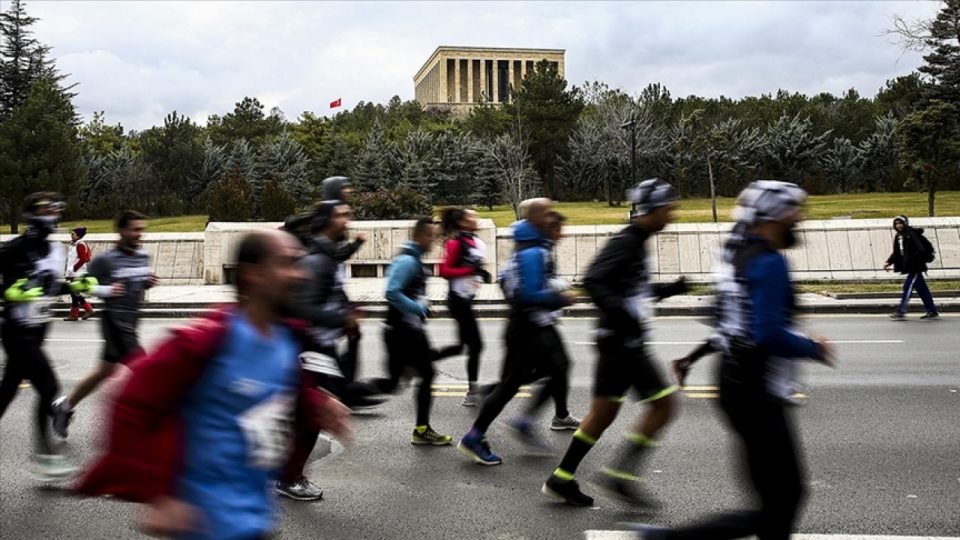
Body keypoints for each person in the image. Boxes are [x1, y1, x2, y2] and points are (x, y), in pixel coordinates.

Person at [75, 229, 352, 540]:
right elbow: (130, 399)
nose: (300, 275)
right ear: (253, 275)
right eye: (286, 264)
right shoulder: (208, 341)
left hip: (256, 517)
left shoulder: (285, 339)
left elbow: (289, 390)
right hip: (204, 524)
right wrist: (157, 493)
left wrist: (319, 405)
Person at [629, 180, 835, 540]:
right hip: (757, 387)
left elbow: (729, 324)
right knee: (784, 499)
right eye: (793, 211)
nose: (799, 218)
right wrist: (813, 348)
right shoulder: (769, 263)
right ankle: (667, 539)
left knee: (776, 498)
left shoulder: (737, 254)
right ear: (773, 216)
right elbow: (766, 333)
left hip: (734, 381)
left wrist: (693, 357)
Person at [541, 179, 688, 508]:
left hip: (615, 341)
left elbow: (634, 289)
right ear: (651, 210)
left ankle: (561, 478)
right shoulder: (627, 241)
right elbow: (594, 279)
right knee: (664, 406)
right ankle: (620, 476)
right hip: (623, 343)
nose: (672, 214)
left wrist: (671, 290)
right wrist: (624, 317)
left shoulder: (638, 241)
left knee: (602, 414)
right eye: (668, 208)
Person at [458, 199, 575, 466]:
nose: (551, 217)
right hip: (528, 328)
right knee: (517, 382)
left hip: (533, 325)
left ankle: (519, 422)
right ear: (536, 217)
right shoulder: (532, 251)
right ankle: (477, 435)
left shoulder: (532, 245)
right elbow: (528, 295)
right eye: (546, 213)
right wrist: (561, 298)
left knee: (558, 369)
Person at [278, 200, 369, 501]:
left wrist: (348, 312)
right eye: (342, 215)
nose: (348, 219)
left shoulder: (326, 256)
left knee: (308, 415)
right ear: (327, 221)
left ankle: (286, 473)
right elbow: (302, 307)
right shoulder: (317, 260)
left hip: (319, 346)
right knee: (311, 416)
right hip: (310, 348)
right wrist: (342, 317)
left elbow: (331, 293)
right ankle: (288, 477)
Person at [0, 193, 94, 479]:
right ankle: (44, 457)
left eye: (56, 209)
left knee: (6, 393)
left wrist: (76, 286)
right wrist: (11, 293)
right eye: (45, 209)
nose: (52, 214)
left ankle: (44, 456)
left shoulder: (55, 252)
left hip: (38, 332)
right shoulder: (14, 249)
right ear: (31, 214)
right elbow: (10, 288)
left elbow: (50, 287)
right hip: (17, 332)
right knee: (49, 387)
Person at [52, 210, 157, 438]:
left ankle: (64, 406)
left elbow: (135, 285)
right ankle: (145, 427)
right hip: (115, 323)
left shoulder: (143, 257)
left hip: (130, 321)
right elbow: (83, 285)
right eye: (134, 229)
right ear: (121, 231)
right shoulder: (106, 261)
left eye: (142, 230)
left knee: (104, 372)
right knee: (147, 373)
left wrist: (147, 283)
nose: (139, 234)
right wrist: (107, 290)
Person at [366, 218, 453, 445]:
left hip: (406, 330)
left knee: (397, 382)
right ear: (421, 236)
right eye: (431, 237)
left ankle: (345, 394)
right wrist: (420, 308)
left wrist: (422, 309)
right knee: (421, 376)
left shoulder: (412, 259)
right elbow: (392, 292)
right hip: (402, 332)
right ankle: (422, 430)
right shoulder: (407, 261)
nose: (433, 242)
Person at [436, 207, 490, 406]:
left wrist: (480, 273)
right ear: (462, 222)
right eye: (471, 216)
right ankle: (472, 392)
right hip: (457, 300)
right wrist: (471, 270)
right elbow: (444, 270)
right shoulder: (456, 242)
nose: (476, 218)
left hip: (467, 299)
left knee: (461, 346)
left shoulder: (474, 242)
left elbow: (471, 268)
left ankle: (421, 362)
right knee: (476, 345)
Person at [884, 215, 940, 321]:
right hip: (910, 267)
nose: (898, 225)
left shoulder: (911, 234)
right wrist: (889, 262)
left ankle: (901, 311)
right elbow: (898, 252)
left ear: (906, 223)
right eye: (896, 224)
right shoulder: (899, 236)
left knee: (907, 288)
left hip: (915, 267)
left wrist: (911, 260)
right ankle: (932, 311)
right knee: (922, 290)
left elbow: (921, 250)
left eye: (900, 223)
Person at [64, 226, 95, 321]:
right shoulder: (74, 244)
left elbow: (84, 259)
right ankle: (88, 310)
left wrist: (74, 268)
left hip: (77, 273)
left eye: (73, 234)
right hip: (72, 272)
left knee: (74, 293)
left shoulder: (80, 244)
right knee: (75, 293)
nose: (71, 235)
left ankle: (74, 314)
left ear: (78, 235)